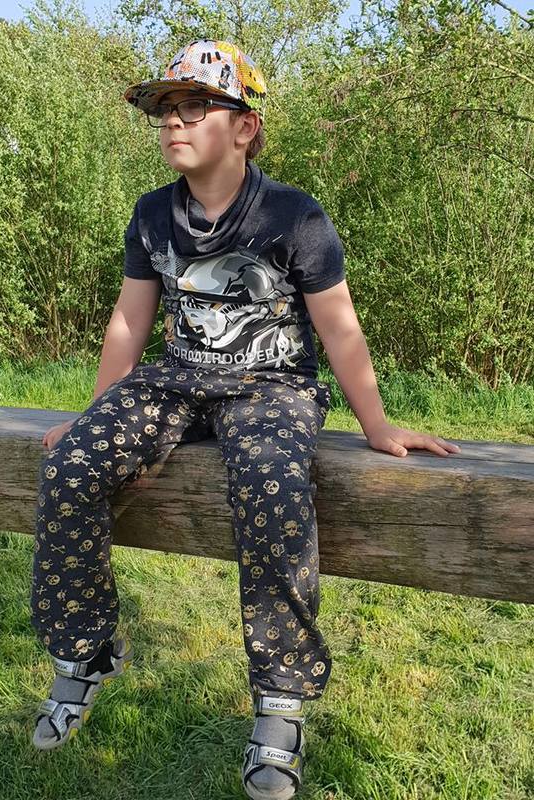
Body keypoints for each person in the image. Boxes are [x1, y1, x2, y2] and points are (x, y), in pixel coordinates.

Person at [29, 38, 461, 799]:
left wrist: (377, 425)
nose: (173, 121)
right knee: (68, 467)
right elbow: (129, 322)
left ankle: (280, 705)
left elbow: (339, 329)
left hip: (272, 388)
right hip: (179, 381)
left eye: (196, 106)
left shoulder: (294, 216)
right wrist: (94, 417)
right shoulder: (153, 215)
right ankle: (84, 654)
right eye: (165, 109)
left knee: (271, 487)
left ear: (244, 126)